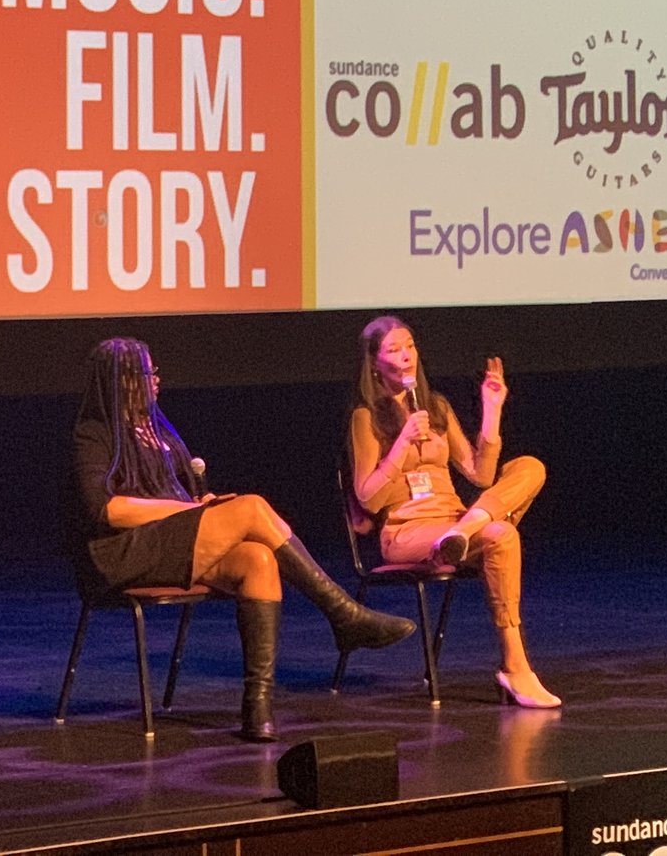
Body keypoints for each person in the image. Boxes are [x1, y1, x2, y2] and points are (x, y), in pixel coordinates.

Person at [69, 337, 415, 741]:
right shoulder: (94, 433)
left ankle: (257, 709)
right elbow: (106, 510)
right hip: (120, 553)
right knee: (251, 508)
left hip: (164, 543)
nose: (156, 380)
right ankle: (343, 613)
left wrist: (202, 503)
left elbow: (177, 498)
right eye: (148, 373)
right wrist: (192, 512)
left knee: (257, 560)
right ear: (122, 381)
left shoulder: (156, 429)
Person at [346, 315, 559, 707]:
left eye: (409, 346)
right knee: (503, 533)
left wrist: (491, 409)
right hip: (407, 531)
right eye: (394, 350)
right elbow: (367, 498)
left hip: (454, 523)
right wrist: (401, 445)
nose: (406, 356)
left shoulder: (437, 407)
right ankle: (516, 667)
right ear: (375, 363)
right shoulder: (367, 417)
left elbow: (480, 473)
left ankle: (470, 524)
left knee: (529, 467)